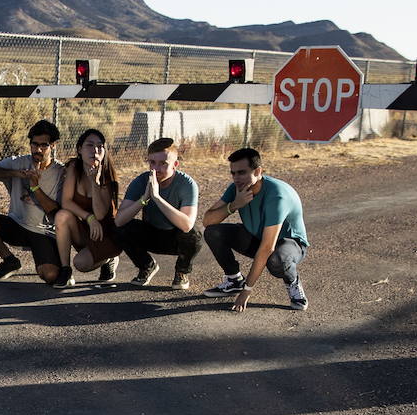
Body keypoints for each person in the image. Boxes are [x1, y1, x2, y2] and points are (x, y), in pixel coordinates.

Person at [202, 147, 310, 312]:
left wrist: (247, 291)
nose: (236, 178)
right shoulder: (237, 188)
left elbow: (267, 248)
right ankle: (234, 280)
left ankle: (292, 282)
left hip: (289, 244)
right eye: (233, 173)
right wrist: (234, 205)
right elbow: (207, 220)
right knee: (213, 232)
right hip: (257, 237)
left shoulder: (277, 196)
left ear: (258, 171)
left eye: (242, 172)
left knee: (276, 261)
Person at [0, 120, 67, 283]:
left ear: (53, 145)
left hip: (43, 231)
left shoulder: (60, 172)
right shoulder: (20, 162)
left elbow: (55, 211)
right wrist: (16, 173)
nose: (38, 149)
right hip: (17, 224)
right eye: (34, 144)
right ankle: (10, 261)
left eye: (44, 145)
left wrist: (35, 188)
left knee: (50, 275)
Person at [113, 137, 203, 290]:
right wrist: (144, 199)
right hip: (152, 234)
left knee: (194, 235)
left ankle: (181, 272)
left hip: (176, 238)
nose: (156, 169)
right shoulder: (141, 181)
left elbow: (187, 225)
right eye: (152, 163)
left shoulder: (187, 184)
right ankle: (147, 266)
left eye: (163, 164)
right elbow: (119, 221)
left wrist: (157, 197)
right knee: (121, 228)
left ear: (175, 165)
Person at [54, 128, 122, 286]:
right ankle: (65, 270)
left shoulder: (108, 176)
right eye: (90, 145)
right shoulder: (73, 168)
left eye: (100, 146)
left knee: (81, 263)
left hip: (107, 234)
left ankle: (109, 258)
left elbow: (99, 214)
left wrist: (94, 182)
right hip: (89, 228)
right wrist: (88, 218)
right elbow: (66, 202)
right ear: (79, 149)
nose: (95, 150)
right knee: (62, 215)